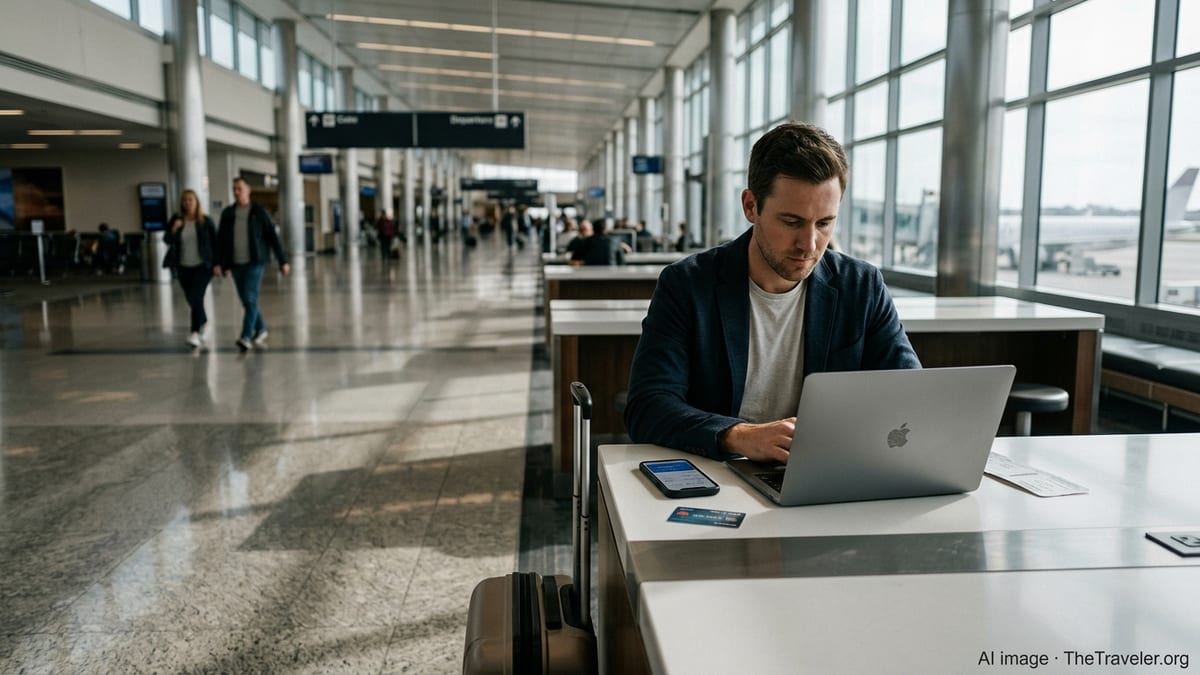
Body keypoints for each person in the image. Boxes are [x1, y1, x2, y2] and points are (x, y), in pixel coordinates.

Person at [624, 122, 921, 462]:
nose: (809, 245)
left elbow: (909, 393)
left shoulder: (862, 286)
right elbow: (648, 406)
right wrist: (738, 435)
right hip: (722, 470)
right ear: (751, 206)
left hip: (828, 469)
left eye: (824, 223)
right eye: (792, 222)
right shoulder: (688, 285)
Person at [215, 177, 290, 352]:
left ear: (248, 191)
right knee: (247, 301)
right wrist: (219, 263)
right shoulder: (228, 213)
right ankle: (261, 329)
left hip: (255, 262)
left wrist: (283, 260)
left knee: (249, 298)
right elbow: (221, 240)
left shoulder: (258, 212)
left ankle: (246, 336)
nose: (236, 192)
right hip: (236, 263)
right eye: (234, 189)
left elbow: (273, 237)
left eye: (239, 188)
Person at [164, 189, 218, 348]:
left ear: (196, 202)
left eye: (190, 200)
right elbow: (167, 239)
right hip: (183, 266)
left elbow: (215, 243)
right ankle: (205, 323)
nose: (187, 203)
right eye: (185, 200)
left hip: (203, 266)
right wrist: (174, 229)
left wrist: (217, 263)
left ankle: (194, 332)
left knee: (196, 297)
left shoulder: (205, 221)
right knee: (192, 299)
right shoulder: (176, 220)